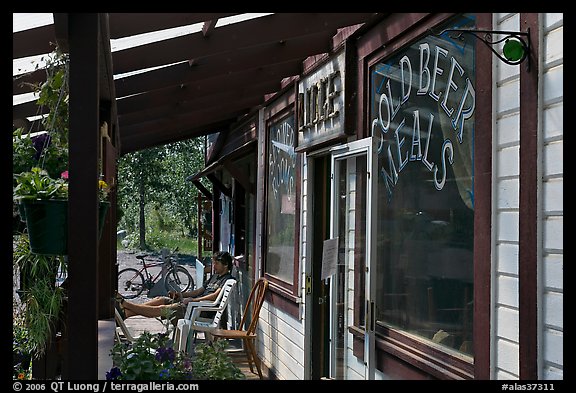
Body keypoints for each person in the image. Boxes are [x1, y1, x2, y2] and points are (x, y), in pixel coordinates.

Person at [115, 251, 235, 324]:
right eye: (213, 263)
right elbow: (199, 291)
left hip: (199, 310)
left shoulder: (227, 279)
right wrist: (181, 295)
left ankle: (126, 305)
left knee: (163, 308)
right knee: (160, 300)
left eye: (216, 264)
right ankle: (126, 314)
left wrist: (194, 301)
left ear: (225, 265)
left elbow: (214, 297)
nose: (214, 266)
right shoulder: (214, 276)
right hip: (191, 304)